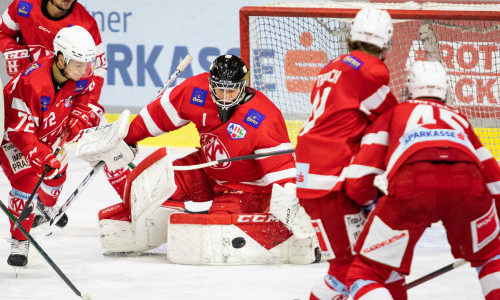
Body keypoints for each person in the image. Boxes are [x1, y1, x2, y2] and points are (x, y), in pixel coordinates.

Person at [85, 54, 318, 263]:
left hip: (245, 188)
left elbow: (282, 171)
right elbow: (158, 116)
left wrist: (297, 207)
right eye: (219, 89)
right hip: (206, 169)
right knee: (155, 182)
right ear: (210, 84)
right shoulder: (195, 91)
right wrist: (126, 139)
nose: (225, 97)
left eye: (231, 90)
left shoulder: (263, 118)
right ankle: (158, 222)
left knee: (216, 227)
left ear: (243, 87)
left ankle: (272, 237)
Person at [343, 60, 500, 299]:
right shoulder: (459, 120)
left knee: (364, 275)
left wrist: (369, 202)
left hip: (413, 188)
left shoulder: (393, 114)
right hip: (469, 187)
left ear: (408, 88)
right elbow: (494, 178)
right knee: (492, 259)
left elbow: (358, 178)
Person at [293, 8, 399, 300]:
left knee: (343, 272)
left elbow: (343, 116)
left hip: (312, 176)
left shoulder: (333, 65)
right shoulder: (373, 70)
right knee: (356, 269)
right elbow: (394, 120)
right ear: (386, 43)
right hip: (331, 180)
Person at [0, 0, 128, 225]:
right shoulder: (23, 6)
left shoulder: (84, 22)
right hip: (29, 101)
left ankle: (130, 199)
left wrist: (87, 107)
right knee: (28, 157)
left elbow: (97, 67)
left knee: (106, 138)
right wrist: (11, 49)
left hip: (69, 94)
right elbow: (3, 33)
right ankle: (35, 201)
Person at [0, 25, 97, 267]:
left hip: (47, 136)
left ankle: (44, 207)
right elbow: (21, 132)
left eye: (87, 63)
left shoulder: (80, 72)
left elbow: (84, 94)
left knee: (57, 175)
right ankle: (19, 240)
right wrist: (42, 155)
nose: (85, 69)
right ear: (61, 58)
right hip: (12, 140)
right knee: (27, 184)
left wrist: (78, 115)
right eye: (78, 64)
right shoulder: (31, 84)